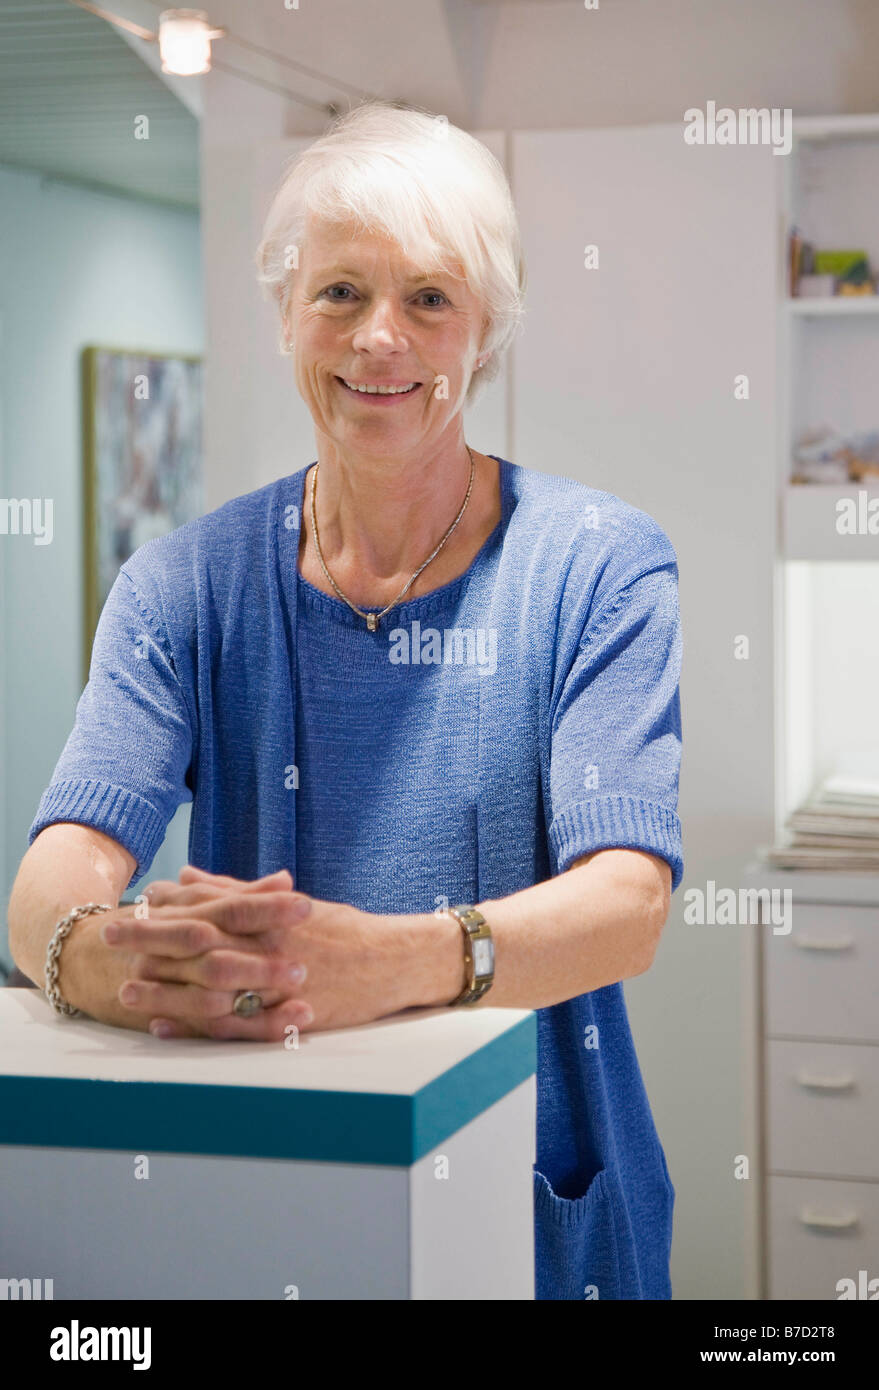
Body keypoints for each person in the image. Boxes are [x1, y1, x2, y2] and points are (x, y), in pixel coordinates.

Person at [9, 100, 684, 1301]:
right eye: (339, 293)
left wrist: (390, 960)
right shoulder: (185, 586)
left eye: (430, 297)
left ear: (486, 331)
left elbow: (627, 903)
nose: (381, 338)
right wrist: (101, 960)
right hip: (276, 1197)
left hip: (538, 1187)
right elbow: (58, 868)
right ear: (284, 313)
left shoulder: (597, 566)